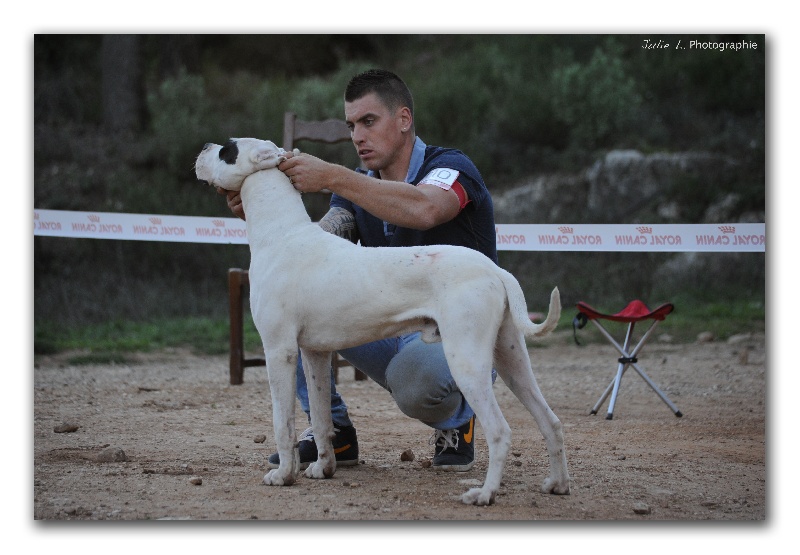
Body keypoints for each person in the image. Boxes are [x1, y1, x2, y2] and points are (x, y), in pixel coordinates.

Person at [223, 69, 497, 472]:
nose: (357, 136)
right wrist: (261, 211)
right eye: (352, 125)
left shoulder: (451, 167)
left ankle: (457, 422)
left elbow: (425, 208)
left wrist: (334, 174)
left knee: (414, 381)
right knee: (292, 307)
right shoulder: (354, 187)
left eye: (369, 122)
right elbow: (316, 243)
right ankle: (333, 433)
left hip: (454, 326)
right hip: (391, 326)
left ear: (403, 120)